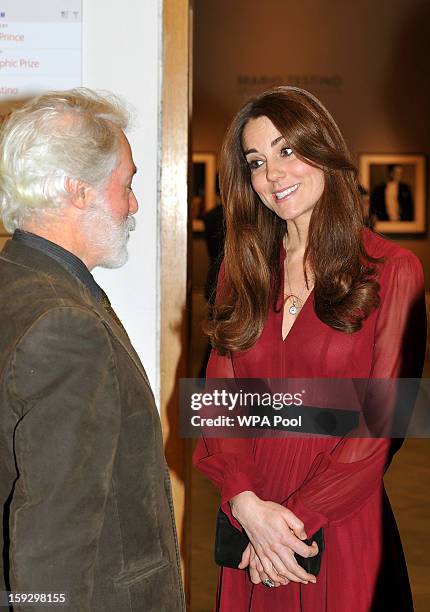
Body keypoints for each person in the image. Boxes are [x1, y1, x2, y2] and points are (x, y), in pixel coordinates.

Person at [193, 86, 426, 611]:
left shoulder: (392, 271)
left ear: (323, 150)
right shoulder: (241, 269)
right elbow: (220, 400)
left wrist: (291, 525)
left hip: (338, 518)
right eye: (257, 161)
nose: (273, 174)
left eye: (287, 150)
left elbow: (383, 425)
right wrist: (247, 505)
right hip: (251, 518)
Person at [0, 89, 184, 611]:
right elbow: (53, 541)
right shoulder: (65, 323)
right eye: (125, 184)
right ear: (77, 191)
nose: (133, 204)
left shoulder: (17, 282)